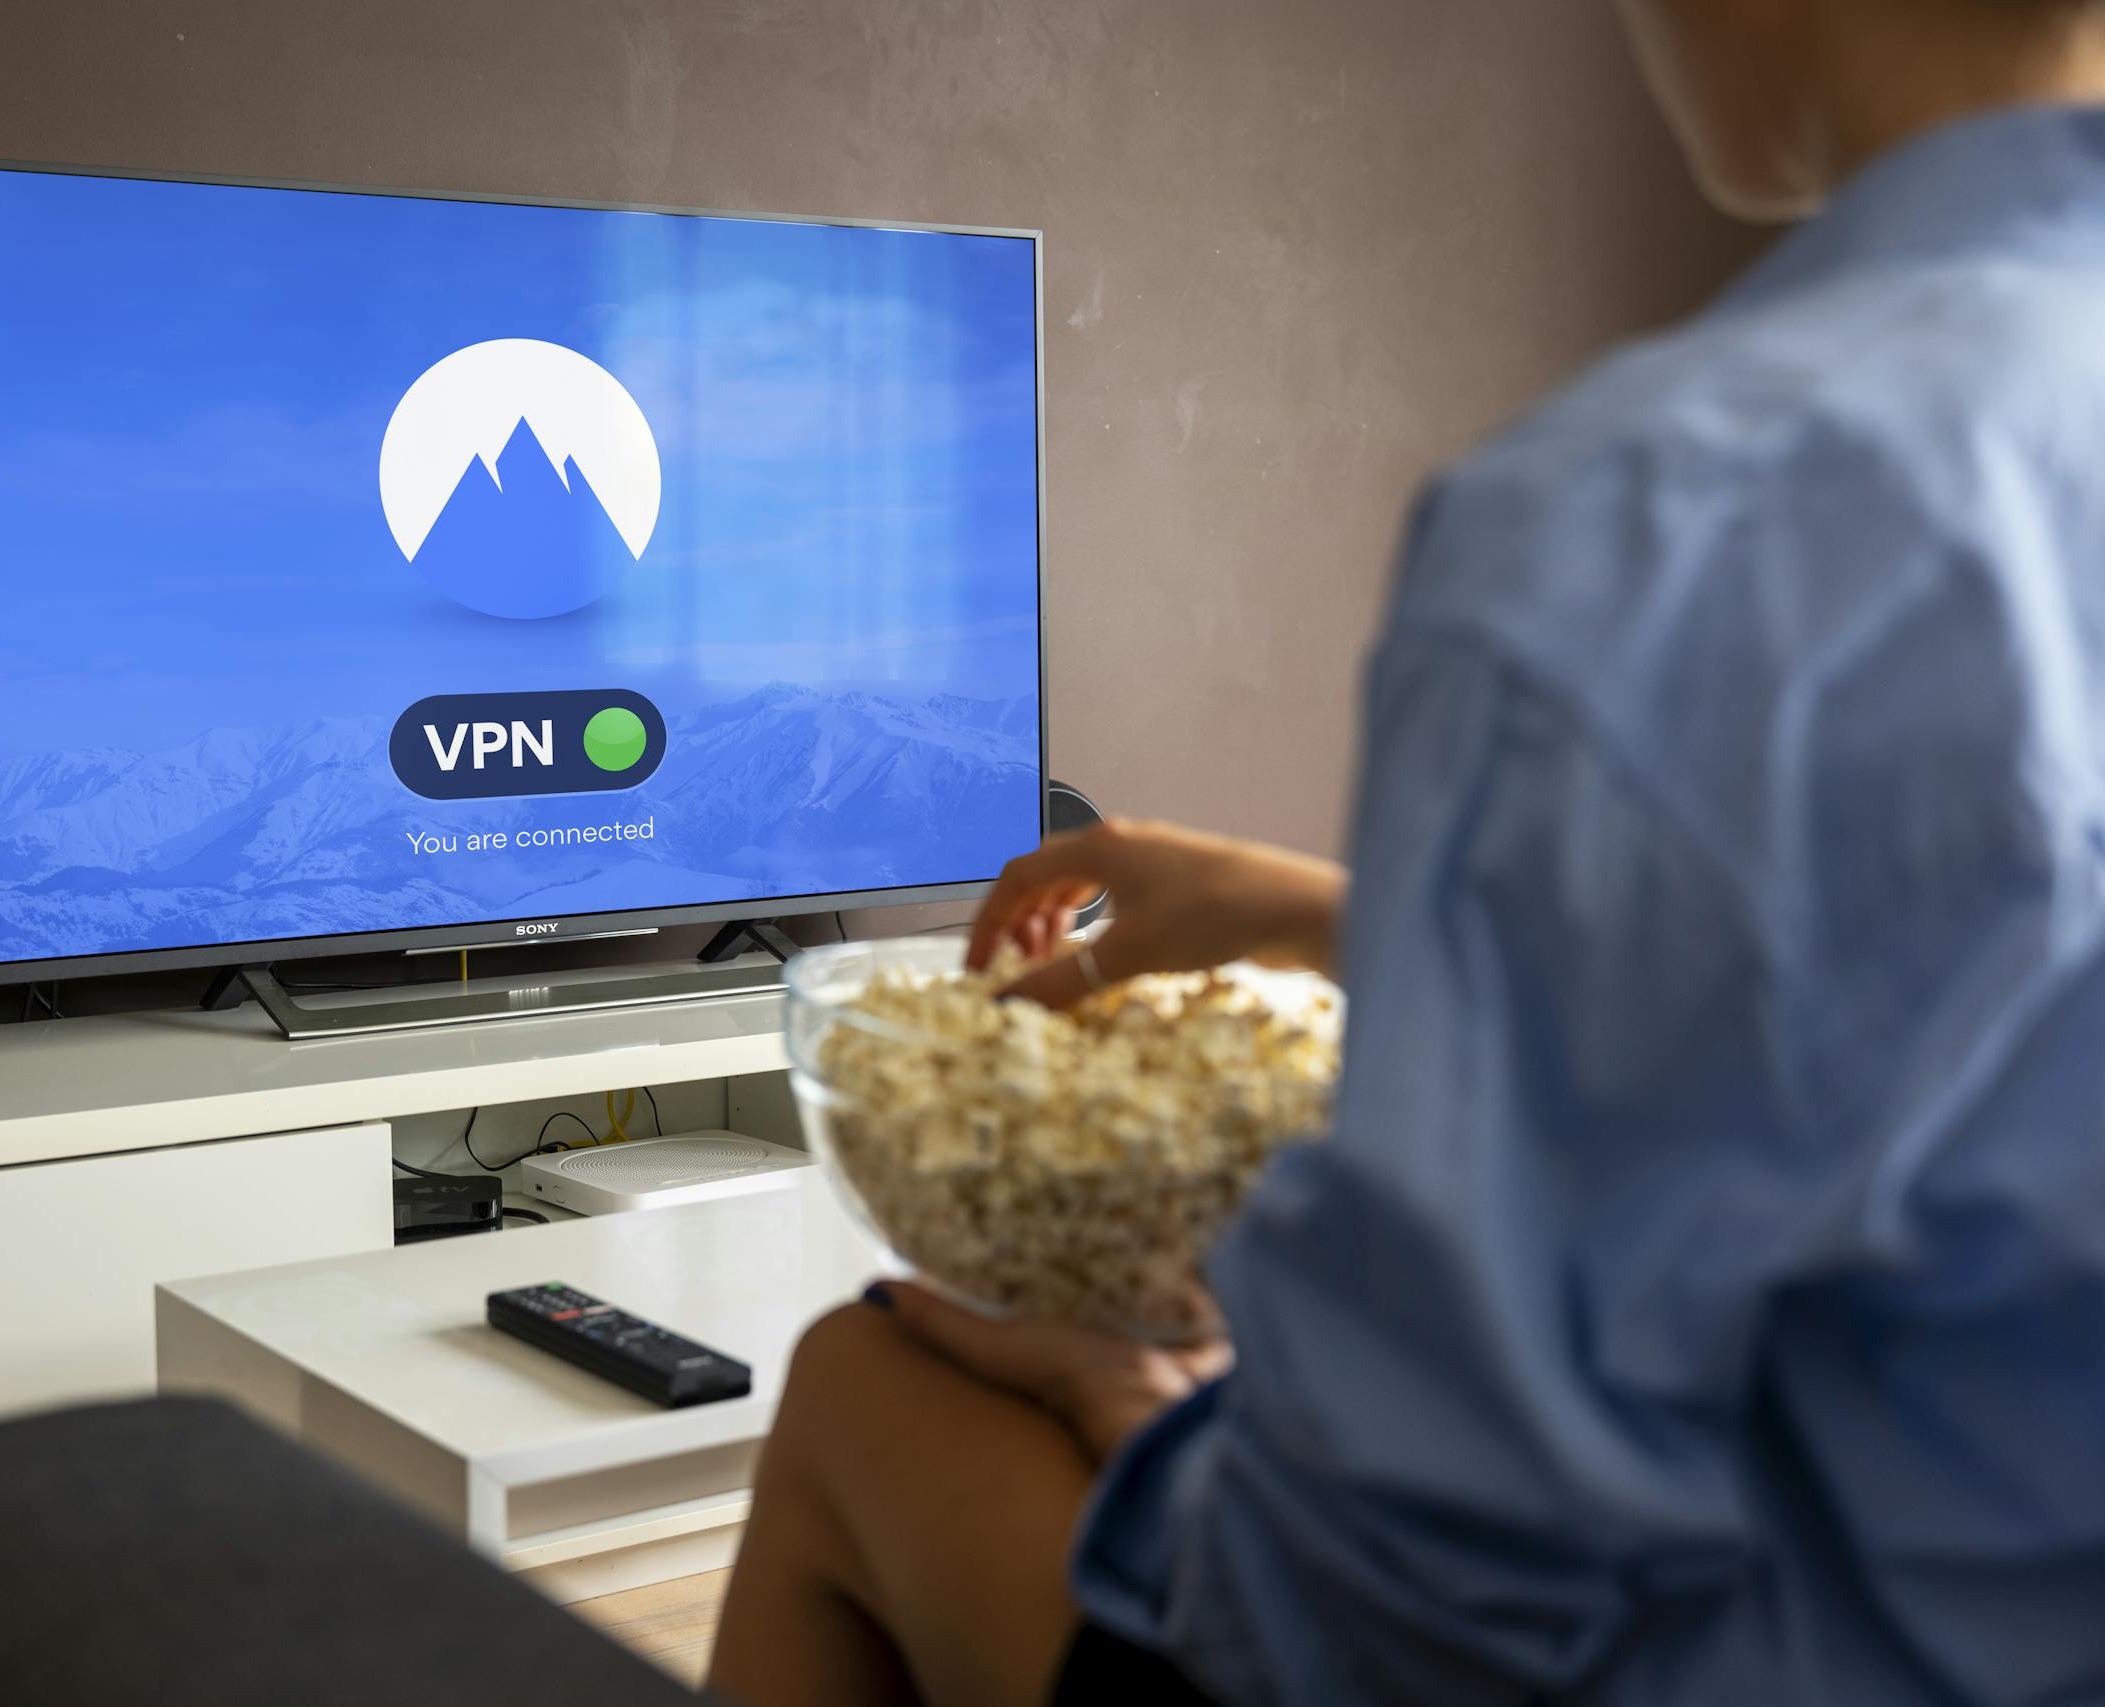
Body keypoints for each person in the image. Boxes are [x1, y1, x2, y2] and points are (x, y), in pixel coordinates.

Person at [704, 0, 2105, 1702]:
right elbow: (1969, 978)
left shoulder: (1662, 505)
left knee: (866, 1391)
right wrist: (1327, 915)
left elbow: (1421, 1586)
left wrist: (1126, 1404)